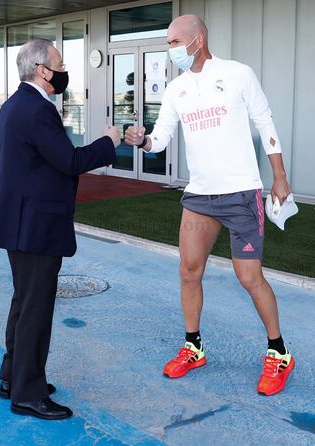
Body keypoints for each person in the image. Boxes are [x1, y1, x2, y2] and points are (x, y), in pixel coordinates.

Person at [125, 15, 294, 396]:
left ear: (198, 40)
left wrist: (279, 176)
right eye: (168, 43)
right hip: (199, 195)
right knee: (188, 271)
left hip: (240, 193)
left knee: (249, 278)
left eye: (174, 42)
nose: (171, 50)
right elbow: (161, 139)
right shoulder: (176, 90)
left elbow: (264, 121)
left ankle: (279, 351)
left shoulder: (238, 74)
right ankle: (193, 346)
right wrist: (141, 141)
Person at [0, 38, 121, 419]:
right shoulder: (36, 110)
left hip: (21, 222)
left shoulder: (15, 105)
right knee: (36, 308)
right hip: (35, 224)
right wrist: (108, 142)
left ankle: (14, 376)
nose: (63, 72)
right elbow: (70, 160)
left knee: (23, 302)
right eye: (60, 65)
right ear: (43, 71)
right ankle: (28, 394)